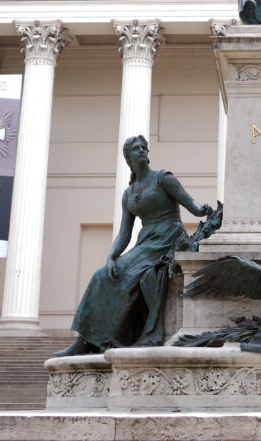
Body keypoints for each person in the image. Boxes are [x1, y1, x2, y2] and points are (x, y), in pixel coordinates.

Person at [54, 135, 213, 356]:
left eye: (144, 147)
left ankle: (99, 339)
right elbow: (124, 233)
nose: (141, 150)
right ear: (128, 157)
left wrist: (202, 210)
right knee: (103, 275)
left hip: (169, 238)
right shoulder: (128, 193)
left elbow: (190, 204)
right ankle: (86, 340)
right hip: (146, 241)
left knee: (136, 274)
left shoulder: (164, 178)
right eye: (135, 148)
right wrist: (111, 257)